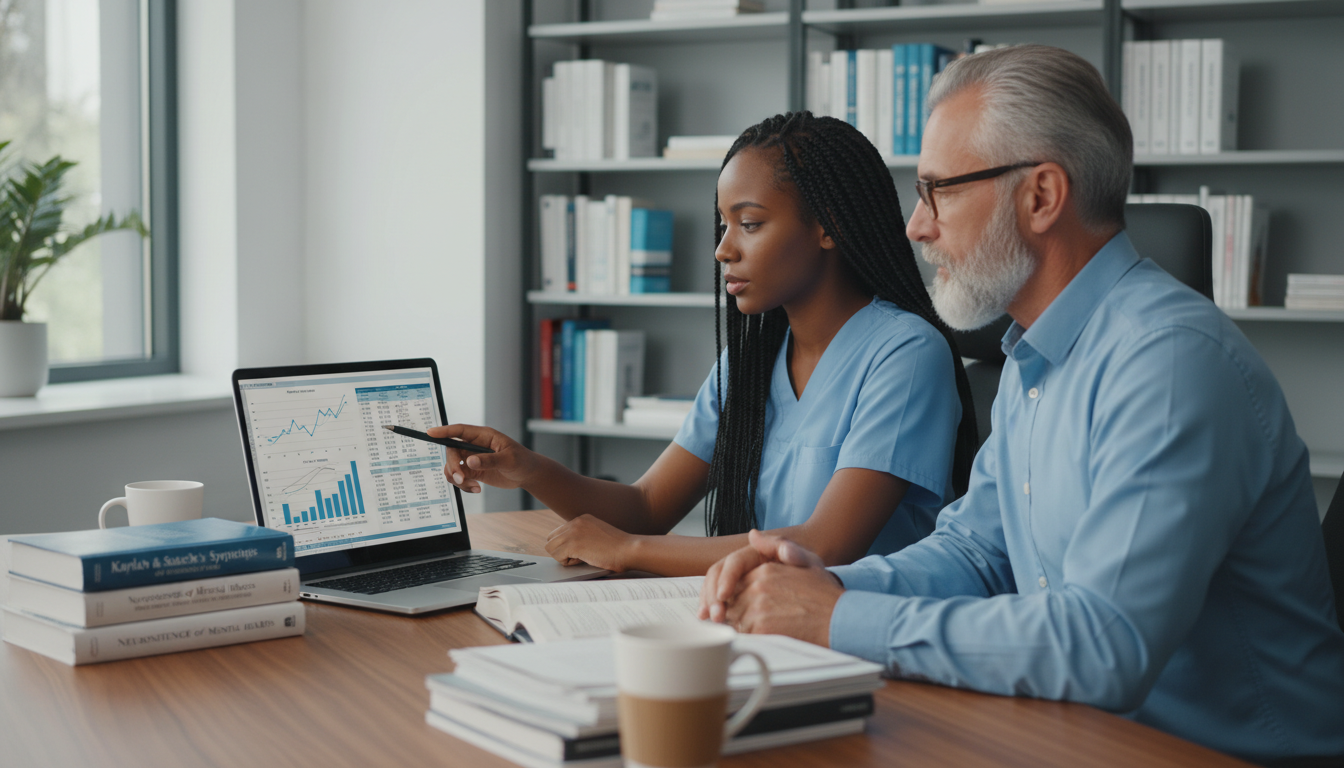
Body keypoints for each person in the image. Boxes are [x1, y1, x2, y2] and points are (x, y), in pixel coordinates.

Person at [699, 45, 1344, 763]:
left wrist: (841, 617)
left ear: (1040, 196)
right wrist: (814, 586)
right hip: (1081, 736)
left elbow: (1104, 646)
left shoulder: (1168, 364)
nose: (916, 226)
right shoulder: (1033, 356)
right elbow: (977, 554)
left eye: (937, 189)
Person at [429, 113, 979, 577]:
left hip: (862, 644)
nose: (722, 250)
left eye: (750, 224)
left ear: (828, 226)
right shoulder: (749, 363)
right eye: (724, 225)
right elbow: (646, 507)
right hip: (764, 628)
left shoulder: (906, 353)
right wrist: (529, 469)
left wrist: (628, 552)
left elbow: (823, 546)